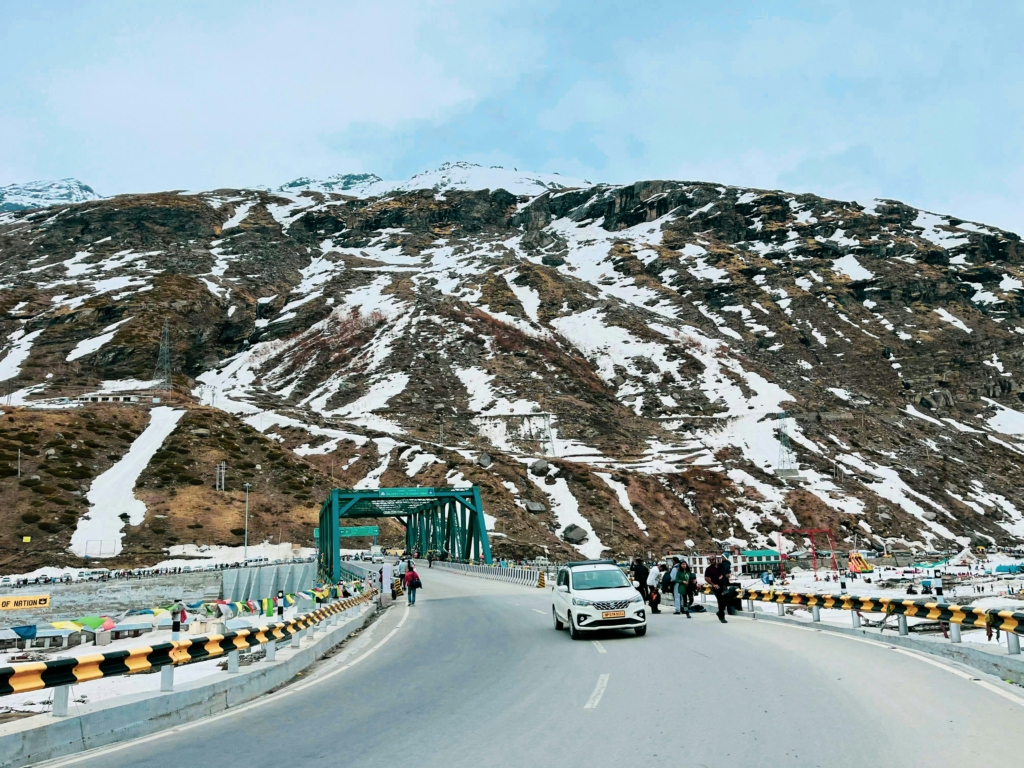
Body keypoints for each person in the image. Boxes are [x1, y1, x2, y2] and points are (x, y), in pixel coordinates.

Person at [705, 554, 730, 623]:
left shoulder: (721, 566)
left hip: (724, 585)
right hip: (716, 587)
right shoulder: (709, 569)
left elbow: (727, 571)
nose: (711, 561)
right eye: (710, 560)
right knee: (720, 601)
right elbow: (706, 578)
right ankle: (722, 616)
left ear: (715, 559)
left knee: (727, 600)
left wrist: (727, 575)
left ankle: (719, 612)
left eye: (712, 560)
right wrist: (713, 584)